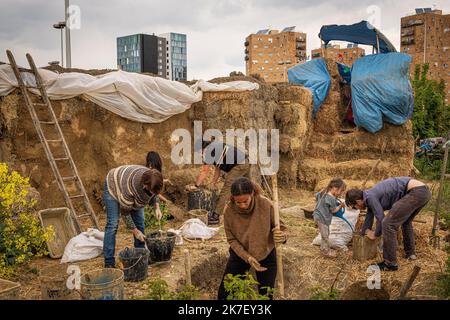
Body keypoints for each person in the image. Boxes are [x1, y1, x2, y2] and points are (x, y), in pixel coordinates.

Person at [217, 177, 287, 300]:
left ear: (252, 194)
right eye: (238, 202)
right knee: (225, 293)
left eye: (245, 201)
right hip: (240, 254)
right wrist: (247, 257)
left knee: (266, 296)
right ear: (233, 198)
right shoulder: (229, 210)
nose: (242, 205)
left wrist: (282, 235)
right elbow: (231, 239)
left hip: (266, 254)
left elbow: (282, 228)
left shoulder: (266, 204)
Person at [345, 177, 431, 271]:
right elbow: (369, 218)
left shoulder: (370, 197)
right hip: (423, 192)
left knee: (388, 224)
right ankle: (410, 254)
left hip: (415, 192)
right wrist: (362, 233)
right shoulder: (369, 196)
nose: (357, 209)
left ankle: (390, 264)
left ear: (358, 201)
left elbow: (381, 217)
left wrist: (375, 234)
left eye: (355, 207)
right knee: (406, 221)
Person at [103, 165, 163, 268]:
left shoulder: (153, 178)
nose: (152, 193)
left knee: (140, 222)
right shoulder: (129, 190)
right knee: (112, 224)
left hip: (129, 181)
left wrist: (157, 207)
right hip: (113, 184)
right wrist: (135, 231)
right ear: (145, 185)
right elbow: (125, 214)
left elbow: (154, 193)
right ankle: (109, 262)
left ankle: (140, 255)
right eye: (151, 191)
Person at [190, 139, 252, 225]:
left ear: (203, 148)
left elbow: (204, 171)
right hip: (245, 162)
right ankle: (253, 208)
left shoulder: (209, 152)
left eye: (200, 152)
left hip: (239, 165)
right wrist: (213, 182)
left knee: (226, 189)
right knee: (249, 188)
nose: (201, 154)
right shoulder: (215, 148)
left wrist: (196, 185)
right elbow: (218, 169)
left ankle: (215, 216)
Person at [313, 178, 346, 258]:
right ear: (335, 188)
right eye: (341, 191)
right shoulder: (331, 198)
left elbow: (315, 197)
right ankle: (325, 252)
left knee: (325, 234)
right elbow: (334, 211)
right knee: (325, 236)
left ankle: (323, 248)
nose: (341, 193)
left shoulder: (324, 191)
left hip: (317, 215)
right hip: (322, 218)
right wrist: (340, 206)